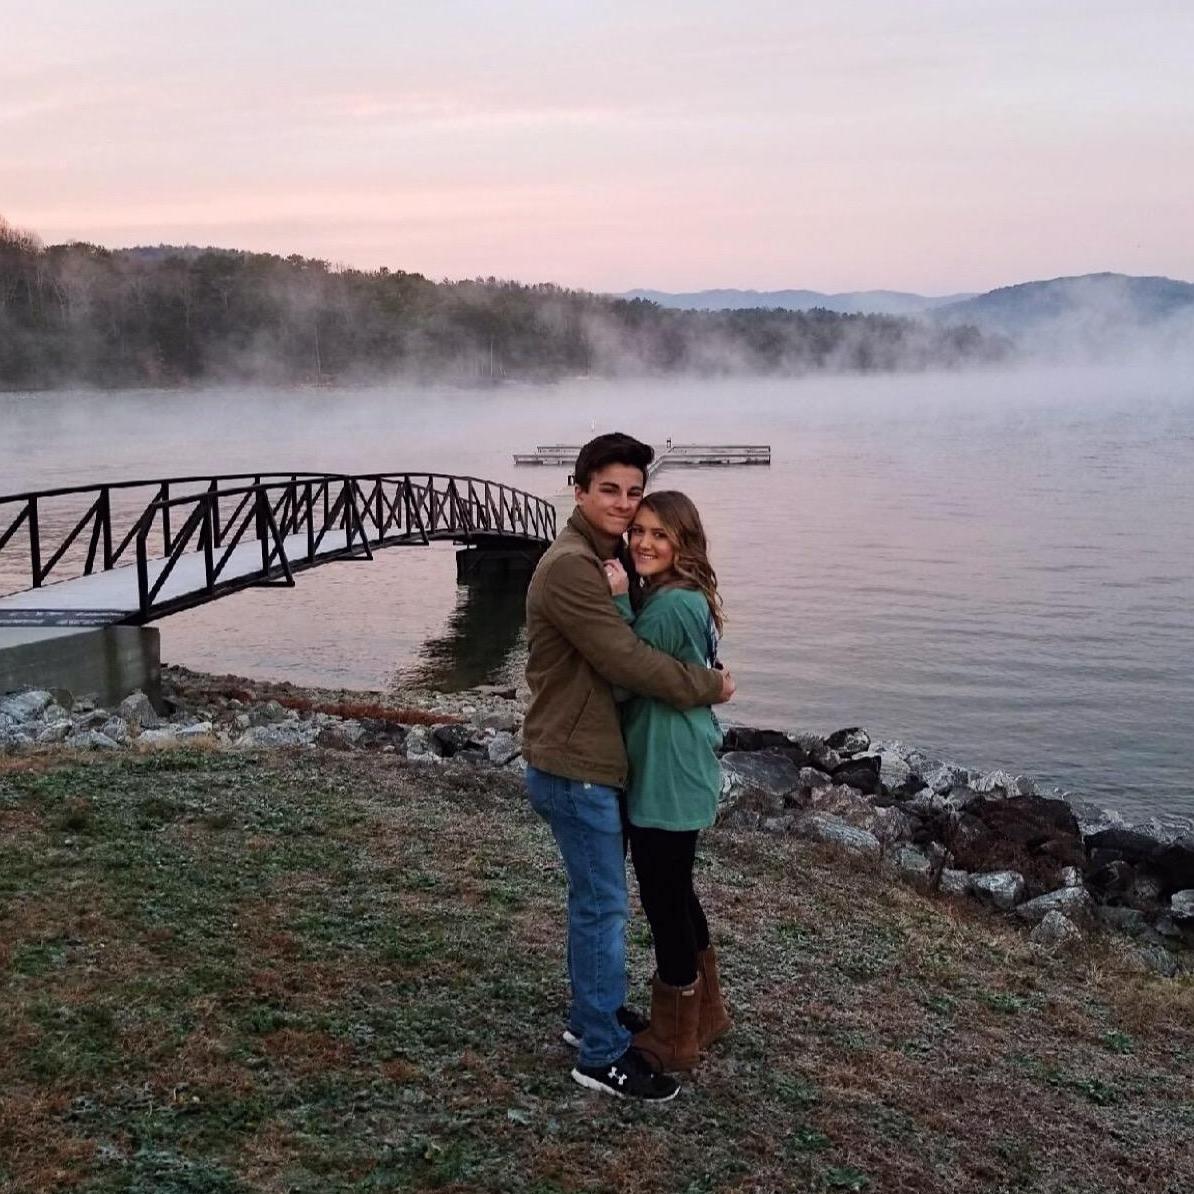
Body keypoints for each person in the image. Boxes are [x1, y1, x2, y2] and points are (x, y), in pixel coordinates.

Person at [523, 433, 735, 1103]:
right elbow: (628, 665)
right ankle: (602, 1052)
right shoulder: (571, 568)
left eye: (633, 493)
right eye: (608, 490)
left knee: (605, 903)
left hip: (596, 762)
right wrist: (713, 685)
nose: (622, 507)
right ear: (579, 490)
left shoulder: (605, 558)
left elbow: (641, 645)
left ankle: (604, 1017)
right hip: (576, 763)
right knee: (604, 908)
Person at [603, 491, 732, 1073]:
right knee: (677, 892)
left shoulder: (668, 606)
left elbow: (628, 674)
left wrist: (617, 604)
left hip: (666, 767)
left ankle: (674, 1037)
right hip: (681, 759)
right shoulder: (686, 597)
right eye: (638, 533)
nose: (644, 543)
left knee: (663, 899)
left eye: (659, 534)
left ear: (684, 541)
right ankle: (707, 1015)